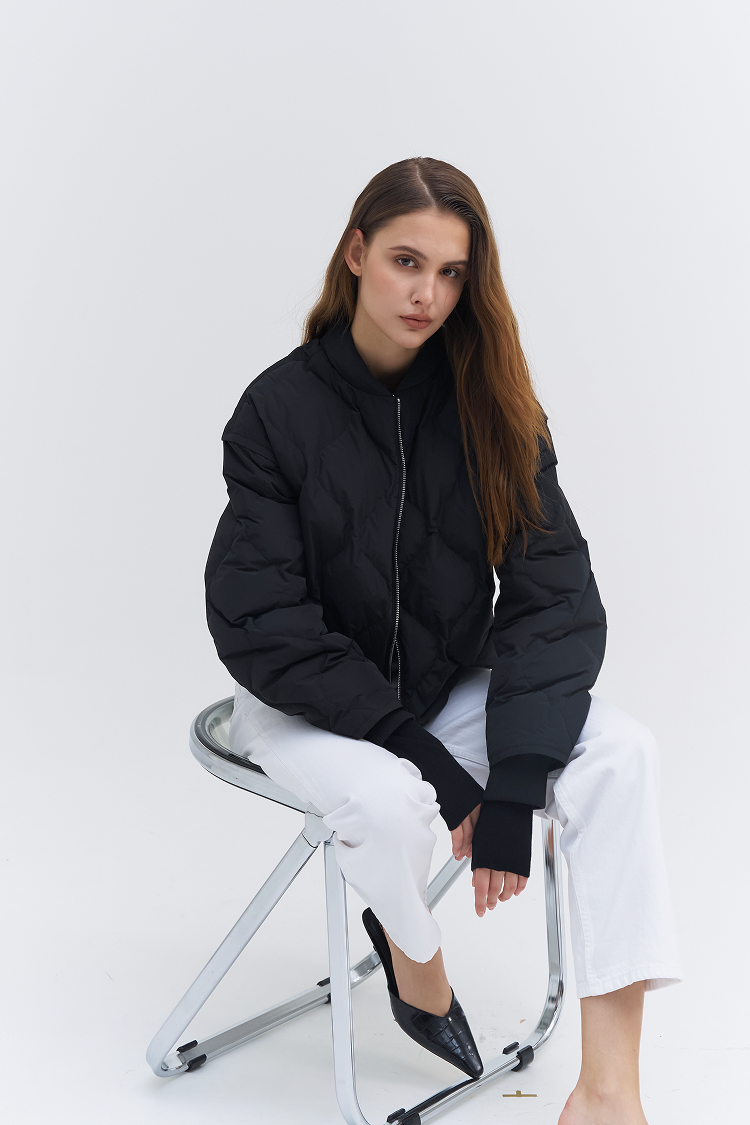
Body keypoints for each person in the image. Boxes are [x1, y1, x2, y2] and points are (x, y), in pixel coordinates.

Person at [205, 157, 682, 1124]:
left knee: (622, 752)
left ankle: (607, 1092)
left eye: (452, 272)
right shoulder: (275, 413)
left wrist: (518, 773)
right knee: (388, 802)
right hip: (305, 704)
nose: (427, 293)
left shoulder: (491, 405)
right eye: (406, 261)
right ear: (356, 254)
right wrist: (427, 757)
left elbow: (553, 596)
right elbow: (261, 616)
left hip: (436, 687)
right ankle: (415, 958)